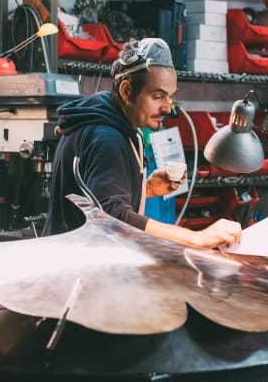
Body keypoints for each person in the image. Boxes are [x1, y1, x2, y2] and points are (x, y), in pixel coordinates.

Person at [44, 38, 242, 249]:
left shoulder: (115, 124)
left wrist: (146, 188)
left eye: (170, 97)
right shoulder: (105, 138)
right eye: (158, 96)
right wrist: (197, 238)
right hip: (79, 270)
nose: (167, 108)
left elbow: (95, 197)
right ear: (127, 91)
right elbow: (113, 218)